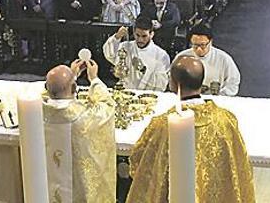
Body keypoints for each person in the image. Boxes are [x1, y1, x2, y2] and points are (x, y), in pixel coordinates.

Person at [126, 56, 255, 203]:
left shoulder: (162, 125)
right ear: (202, 81)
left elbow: (140, 164)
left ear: (173, 84)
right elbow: (240, 165)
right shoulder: (226, 121)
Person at [43, 58, 116, 202]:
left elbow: (53, 90)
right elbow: (107, 106)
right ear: (75, 88)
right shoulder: (84, 119)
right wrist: (94, 79)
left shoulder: (35, 113)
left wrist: (72, 75)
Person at [102, 16, 170, 91]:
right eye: (137, 35)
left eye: (144, 36)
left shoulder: (161, 55)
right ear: (134, 33)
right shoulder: (126, 46)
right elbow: (110, 55)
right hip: (127, 91)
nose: (140, 39)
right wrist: (117, 37)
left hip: (148, 95)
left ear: (151, 34)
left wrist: (143, 70)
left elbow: (162, 83)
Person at [174, 24, 241, 95]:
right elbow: (174, 80)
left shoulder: (223, 58)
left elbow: (233, 83)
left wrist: (221, 94)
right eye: (195, 45)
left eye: (202, 45)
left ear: (210, 42)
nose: (199, 49)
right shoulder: (182, 57)